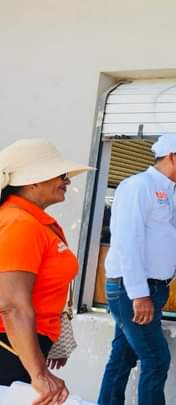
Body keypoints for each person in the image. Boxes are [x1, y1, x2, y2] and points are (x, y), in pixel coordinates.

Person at [97, 134, 176, 405]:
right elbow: (127, 242)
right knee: (156, 359)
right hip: (131, 287)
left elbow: (169, 231)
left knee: (123, 356)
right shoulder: (137, 186)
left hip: (151, 287)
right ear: (171, 157)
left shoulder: (166, 189)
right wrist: (139, 294)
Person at [0, 139, 93, 404]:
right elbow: (11, 305)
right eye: (60, 175)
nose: (68, 181)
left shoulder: (34, 222)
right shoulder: (19, 223)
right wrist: (39, 372)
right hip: (9, 345)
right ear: (33, 181)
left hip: (21, 345)